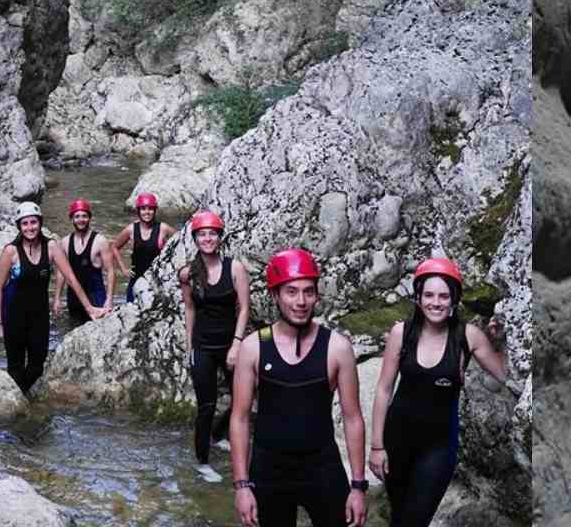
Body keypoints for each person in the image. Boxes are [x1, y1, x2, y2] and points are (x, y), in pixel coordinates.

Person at [228, 249, 369, 527]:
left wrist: (357, 487)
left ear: (317, 295)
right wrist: (242, 486)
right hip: (269, 470)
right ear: (275, 295)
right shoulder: (253, 346)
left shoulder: (337, 347)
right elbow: (240, 418)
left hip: (322, 467)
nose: (301, 301)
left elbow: (353, 419)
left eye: (308, 292)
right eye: (291, 292)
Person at [368, 258, 510, 527]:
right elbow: (384, 389)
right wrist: (377, 446)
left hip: (438, 448)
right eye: (429, 295)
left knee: (412, 521)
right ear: (418, 298)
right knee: (400, 513)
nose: (436, 302)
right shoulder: (402, 333)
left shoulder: (467, 336)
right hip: (396, 441)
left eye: (444, 296)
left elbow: (504, 374)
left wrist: (499, 340)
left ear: (454, 299)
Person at [0, 202, 104, 396]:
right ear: (19, 226)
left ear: (40, 222)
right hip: (14, 318)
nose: (30, 227)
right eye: (25, 223)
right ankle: (20, 412)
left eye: (33, 222)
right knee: (15, 367)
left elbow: (71, 278)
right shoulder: (11, 251)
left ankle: (26, 402)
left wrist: (90, 308)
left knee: (37, 367)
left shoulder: (51, 246)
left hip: (39, 317)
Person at [181, 210, 251, 483]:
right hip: (202, 346)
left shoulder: (235, 268)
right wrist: (190, 348)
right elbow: (189, 310)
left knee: (242, 399)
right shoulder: (188, 273)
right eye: (202, 234)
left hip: (230, 344)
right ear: (196, 239)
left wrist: (236, 344)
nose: (207, 239)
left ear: (220, 238)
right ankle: (202, 461)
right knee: (206, 405)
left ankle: (219, 434)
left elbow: (244, 308)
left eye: (212, 234)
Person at [52, 199, 116, 328]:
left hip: (97, 297)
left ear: (89, 218)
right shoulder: (64, 242)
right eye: (77, 216)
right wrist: (57, 298)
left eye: (84, 216)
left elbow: (110, 271)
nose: (81, 220)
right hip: (74, 299)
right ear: (72, 219)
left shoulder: (100, 241)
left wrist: (109, 299)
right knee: (72, 331)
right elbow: (60, 273)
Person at [113, 192, 176, 302]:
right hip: (135, 280)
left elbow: (181, 241)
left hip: (156, 282)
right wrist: (123, 269)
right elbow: (114, 247)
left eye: (150, 209)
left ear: (155, 210)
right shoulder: (131, 229)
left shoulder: (163, 228)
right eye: (143, 209)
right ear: (138, 210)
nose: (147, 212)